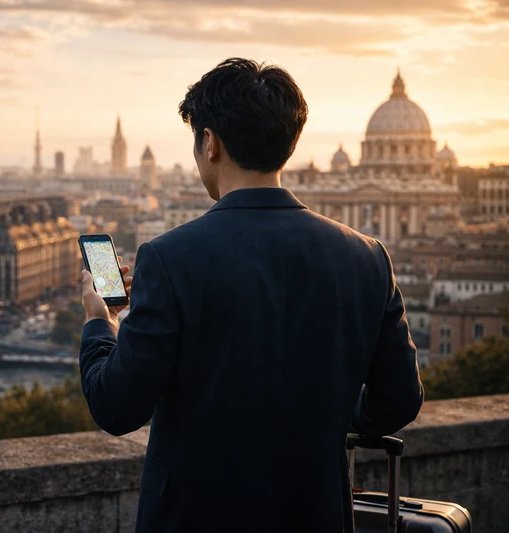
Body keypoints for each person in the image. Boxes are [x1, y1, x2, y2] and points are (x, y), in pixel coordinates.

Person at [79, 58, 424, 532]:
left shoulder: (168, 258)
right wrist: (332, 415)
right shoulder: (368, 258)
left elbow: (116, 408)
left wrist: (100, 322)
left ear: (210, 142)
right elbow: (400, 400)